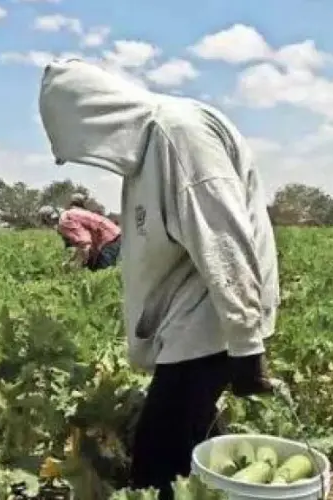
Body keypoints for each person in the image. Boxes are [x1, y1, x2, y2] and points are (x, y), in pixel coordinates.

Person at [38, 59, 279, 498]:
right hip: (191, 319)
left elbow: (224, 242)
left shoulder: (178, 134)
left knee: (157, 458)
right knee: (186, 433)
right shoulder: (147, 153)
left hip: (211, 319)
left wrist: (246, 345)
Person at [39, 204, 121, 271]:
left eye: (46, 223)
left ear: (47, 219)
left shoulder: (64, 221)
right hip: (113, 234)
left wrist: (78, 264)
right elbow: (81, 244)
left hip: (108, 238)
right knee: (95, 269)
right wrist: (71, 260)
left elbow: (85, 243)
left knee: (103, 274)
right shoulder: (68, 214)